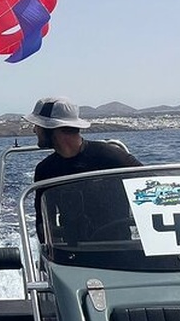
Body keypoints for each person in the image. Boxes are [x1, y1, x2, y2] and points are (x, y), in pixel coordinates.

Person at [23, 97, 142, 240]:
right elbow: (44, 224)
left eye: (37, 125)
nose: (34, 130)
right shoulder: (45, 170)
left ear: (53, 129)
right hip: (72, 252)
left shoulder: (111, 156)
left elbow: (152, 185)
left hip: (120, 249)